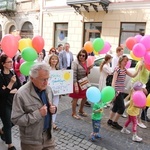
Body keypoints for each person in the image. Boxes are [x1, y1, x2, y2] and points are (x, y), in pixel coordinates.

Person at [11, 63, 57, 150]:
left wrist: (53, 109)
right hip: (31, 142)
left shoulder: (48, 89)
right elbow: (16, 119)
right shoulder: (21, 94)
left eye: (47, 79)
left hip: (48, 138)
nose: (46, 82)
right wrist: (38, 114)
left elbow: (51, 106)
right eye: (43, 79)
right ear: (32, 78)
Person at [107, 55, 142, 130]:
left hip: (121, 90)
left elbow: (132, 75)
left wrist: (138, 69)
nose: (126, 62)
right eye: (125, 61)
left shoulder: (124, 69)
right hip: (117, 91)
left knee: (116, 107)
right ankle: (114, 123)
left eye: (127, 61)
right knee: (122, 108)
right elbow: (114, 81)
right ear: (121, 61)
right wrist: (114, 91)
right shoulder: (117, 69)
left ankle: (110, 121)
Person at [0, 54, 21, 150]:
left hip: (14, 102)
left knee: (15, 120)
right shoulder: (1, 76)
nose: (11, 63)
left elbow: (20, 86)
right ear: (3, 64)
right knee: (8, 123)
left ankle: (2, 130)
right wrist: (11, 84)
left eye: (11, 61)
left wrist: (9, 89)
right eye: (8, 62)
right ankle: (10, 145)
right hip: (4, 104)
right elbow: (2, 94)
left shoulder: (13, 73)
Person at [69, 49, 93, 120]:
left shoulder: (86, 62)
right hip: (76, 82)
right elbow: (73, 74)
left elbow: (87, 73)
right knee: (75, 99)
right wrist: (75, 85)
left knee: (85, 97)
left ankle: (81, 110)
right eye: (80, 55)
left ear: (85, 56)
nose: (81, 57)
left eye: (83, 55)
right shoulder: (75, 62)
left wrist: (89, 69)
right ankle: (73, 113)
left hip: (84, 82)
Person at [131, 60, 150, 128]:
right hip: (139, 85)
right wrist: (142, 87)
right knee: (140, 103)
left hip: (141, 84)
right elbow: (138, 76)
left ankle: (122, 109)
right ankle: (139, 121)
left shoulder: (147, 63)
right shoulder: (142, 63)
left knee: (132, 101)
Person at [48, 54, 60, 130]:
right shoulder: (48, 69)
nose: (54, 60)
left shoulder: (58, 70)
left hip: (56, 92)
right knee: (49, 106)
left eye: (55, 59)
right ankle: (48, 122)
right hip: (49, 91)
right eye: (52, 59)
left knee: (55, 106)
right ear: (50, 60)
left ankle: (53, 122)